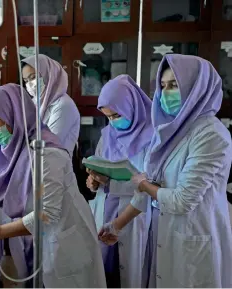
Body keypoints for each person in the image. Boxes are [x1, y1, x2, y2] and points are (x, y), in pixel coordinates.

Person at [0, 84, 106, 288]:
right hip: (42, 236)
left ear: (14, 114)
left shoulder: (48, 153)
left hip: (67, 237)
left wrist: (0, 231)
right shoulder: (8, 150)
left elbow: (48, 212)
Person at [99, 54, 232, 288]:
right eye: (162, 86)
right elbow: (151, 187)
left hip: (193, 238)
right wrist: (116, 225)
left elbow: (182, 199)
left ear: (196, 87)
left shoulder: (211, 134)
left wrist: (144, 185)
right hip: (164, 237)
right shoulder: (171, 132)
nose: (166, 93)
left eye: (174, 85)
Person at [87, 75, 153, 288]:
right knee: (104, 273)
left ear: (132, 106)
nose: (114, 121)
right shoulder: (107, 134)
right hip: (105, 209)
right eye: (108, 116)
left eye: (117, 115)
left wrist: (111, 183)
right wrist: (95, 181)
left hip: (134, 216)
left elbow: (150, 183)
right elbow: (100, 164)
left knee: (132, 275)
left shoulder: (152, 137)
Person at [21, 54, 80, 157]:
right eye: (26, 81)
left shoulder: (63, 105)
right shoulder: (35, 102)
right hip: (35, 164)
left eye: (33, 77)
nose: (29, 84)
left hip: (54, 167)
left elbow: (49, 143)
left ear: (49, 74)